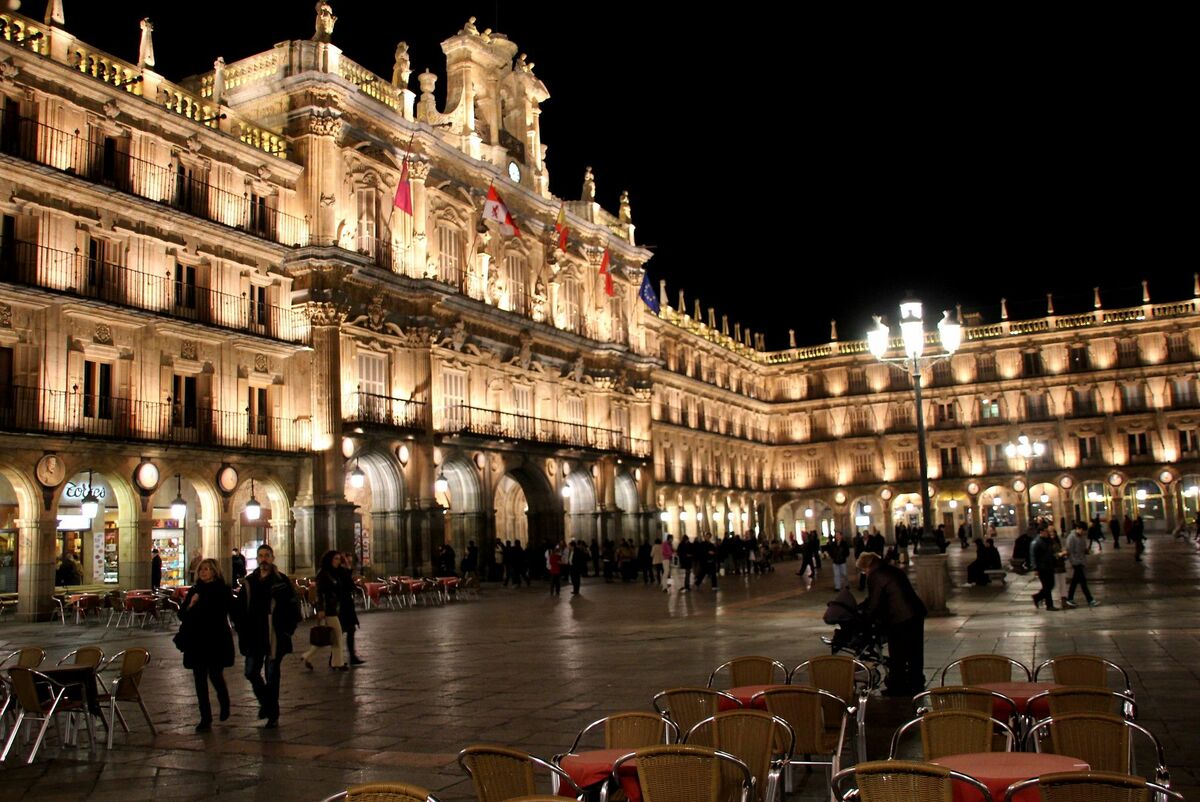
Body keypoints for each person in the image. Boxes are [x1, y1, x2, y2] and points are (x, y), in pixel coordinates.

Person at [232, 544, 301, 728]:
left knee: (272, 675)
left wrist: (287, 630)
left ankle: (273, 714)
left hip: (274, 634)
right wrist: (240, 628)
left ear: (272, 558)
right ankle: (267, 703)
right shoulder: (249, 582)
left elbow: (294, 607)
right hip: (254, 635)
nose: (263, 559)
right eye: (260, 556)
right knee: (250, 672)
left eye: (267, 556)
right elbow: (239, 609)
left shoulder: (281, 581)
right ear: (257, 558)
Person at [857, 551, 927, 696]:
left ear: (867, 567)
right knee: (915, 651)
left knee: (897, 653)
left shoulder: (876, 576)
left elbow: (874, 603)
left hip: (900, 618)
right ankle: (916, 682)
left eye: (863, 570)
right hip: (915, 612)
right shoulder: (890, 569)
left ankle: (898, 686)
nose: (864, 573)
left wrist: (864, 620)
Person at [178, 558, 234, 732]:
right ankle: (205, 718)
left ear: (215, 572)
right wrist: (192, 604)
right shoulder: (194, 591)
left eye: (207, 569)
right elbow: (182, 615)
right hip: (197, 640)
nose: (203, 572)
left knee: (215, 674)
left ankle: (224, 701)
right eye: (201, 569)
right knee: (199, 679)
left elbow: (225, 611)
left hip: (215, 638)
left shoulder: (222, 590)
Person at [300, 550, 348, 672]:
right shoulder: (323, 574)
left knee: (327, 636)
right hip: (328, 610)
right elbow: (320, 593)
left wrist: (346, 564)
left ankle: (307, 656)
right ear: (329, 560)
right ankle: (338, 663)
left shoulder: (333, 573)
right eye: (336, 559)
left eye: (339, 559)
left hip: (333, 608)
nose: (338, 561)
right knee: (337, 636)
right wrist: (321, 609)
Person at [337, 551, 363, 666]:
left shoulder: (342, 572)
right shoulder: (341, 572)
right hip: (343, 605)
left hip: (345, 604)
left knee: (346, 630)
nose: (349, 562)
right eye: (348, 560)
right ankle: (348, 657)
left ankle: (350, 656)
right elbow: (349, 585)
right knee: (342, 631)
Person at [1065, 525, 1098, 608]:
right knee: (1083, 582)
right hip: (1076, 562)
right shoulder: (1071, 537)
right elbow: (1069, 551)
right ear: (1078, 528)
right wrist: (1073, 562)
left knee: (1075, 582)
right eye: (1082, 530)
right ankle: (1090, 600)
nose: (1083, 532)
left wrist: (1087, 551)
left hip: (1081, 561)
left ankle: (1069, 598)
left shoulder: (1082, 537)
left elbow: (1083, 549)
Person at [1030, 527, 1059, 611]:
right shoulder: (1036, 542)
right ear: (1041, 532)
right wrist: (1035, 568)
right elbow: (1033, 556)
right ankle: (1049, 605)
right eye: (1046, 531)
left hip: (1049, 566)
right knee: (1047, 586)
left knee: (1051, 585)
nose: (1048, 533)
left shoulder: (1048, 540)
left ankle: (1037, 597)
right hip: (1042, 567)